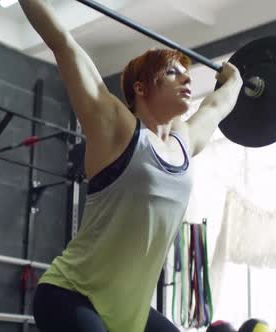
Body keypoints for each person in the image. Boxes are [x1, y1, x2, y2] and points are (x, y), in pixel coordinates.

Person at [18, 1, 243, 331]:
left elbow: (216, 104)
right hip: (71, 295)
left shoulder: (184, 142)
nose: (186, 78)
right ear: (141, 88)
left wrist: (235, 79)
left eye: (186, 71)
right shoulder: (116, 126)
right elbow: (62, 41)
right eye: (172, 71)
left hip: (130, 312)